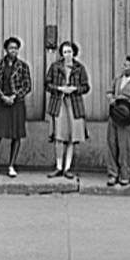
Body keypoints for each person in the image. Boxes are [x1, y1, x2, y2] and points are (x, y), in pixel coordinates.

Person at [45, 41, 90, 179]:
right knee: (59, 136)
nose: (67, 54)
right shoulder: (55, 66)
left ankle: (67, 168)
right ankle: (58, 167)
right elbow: (47, 84)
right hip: (59, 103)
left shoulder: (80, 68)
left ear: (74, 52)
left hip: (74, 104)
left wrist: (75, 89)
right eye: (65, 52)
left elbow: (86, 87)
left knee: (72, 137)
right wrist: (59, 88)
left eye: (69, 51)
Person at [0, 36, 32, 178]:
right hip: (2, 103)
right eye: (11, 48)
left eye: (16, 48)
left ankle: (11, 165)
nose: (14, 50)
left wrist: (15, 96)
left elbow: (27, 86)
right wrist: (3, 96)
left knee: (16, 135)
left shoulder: (23, 66)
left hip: (17, 104)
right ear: (6, 49)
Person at [106, 56, 130, 186]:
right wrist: (111, 99)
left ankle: (125, 175)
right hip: (113, 116)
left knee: (125, 148)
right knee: (111, 144)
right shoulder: (117, 80)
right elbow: (109, 92)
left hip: (127, 120)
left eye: (126, 66)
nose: (123, 67)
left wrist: (127, 107)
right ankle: (113, 174)